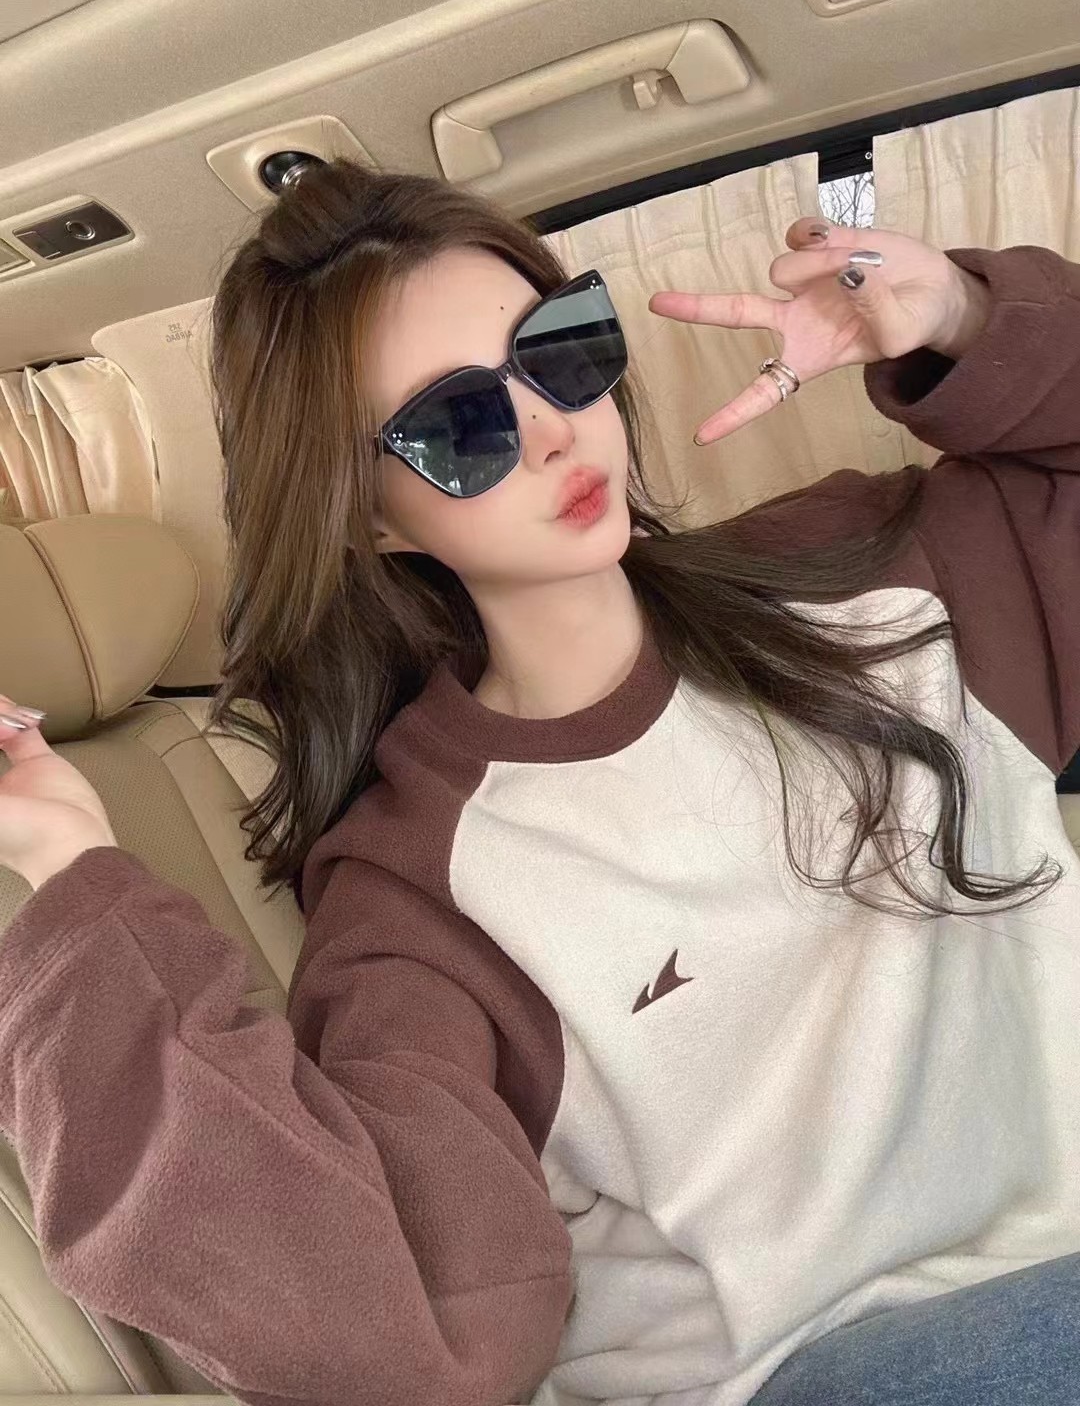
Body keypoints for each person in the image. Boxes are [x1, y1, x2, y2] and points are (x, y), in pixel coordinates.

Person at [0, 156, 1078, 1406]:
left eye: (559, 351)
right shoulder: (417, 894)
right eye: (461, 428)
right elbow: (397, 1337)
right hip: (799, 1369)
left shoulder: (869, 576)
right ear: (372, 518)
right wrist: (71, 873)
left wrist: (970, 324)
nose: (553, 427)